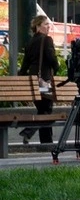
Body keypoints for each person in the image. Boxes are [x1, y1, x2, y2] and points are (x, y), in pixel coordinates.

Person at [18, 16, 59, 144]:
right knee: (47, 110)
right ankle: (29, 131)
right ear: (37, 26)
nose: (48, 27)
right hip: (44, 81)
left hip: (33, 81)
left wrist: (22, 80)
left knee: (43, 110)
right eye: (46, 24)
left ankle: (46, 142)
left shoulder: (30, 42)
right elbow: (52, 59)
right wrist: (56, 69)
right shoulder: (47, 40)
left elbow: (25, 65)